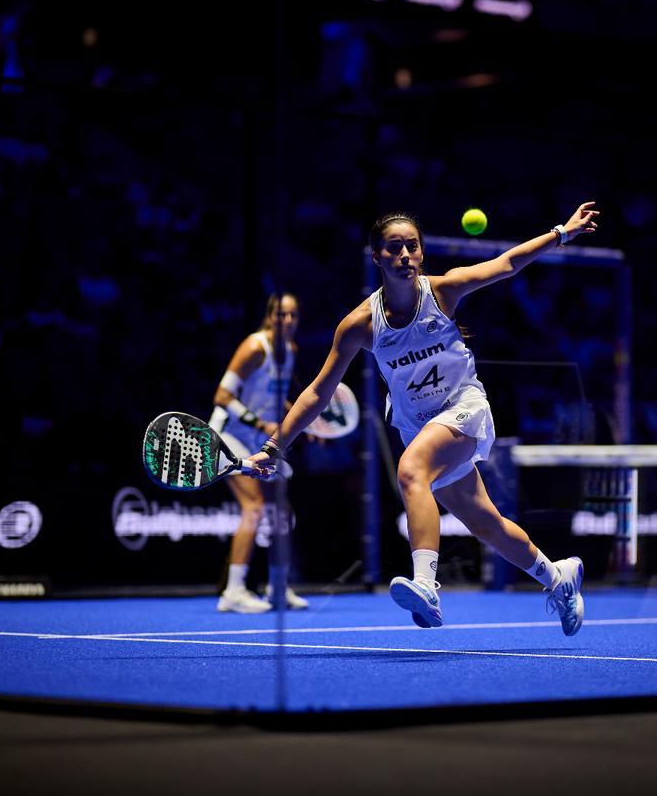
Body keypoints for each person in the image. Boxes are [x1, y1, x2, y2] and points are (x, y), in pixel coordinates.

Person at [245, 204, 600, 634]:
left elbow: (506, 263)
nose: (405, 256)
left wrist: (561, 233)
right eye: (393, 249)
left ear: (421, 253)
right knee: (485, 523)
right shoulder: (360, 325)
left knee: (411, 470)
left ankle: (427, 588)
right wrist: (273, 445)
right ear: (377, 257)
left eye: (411, 247)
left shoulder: (444, 291)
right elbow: (319, 392)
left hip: (463, 408)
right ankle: (559, 578)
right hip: (418, 425)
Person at [209, 292, 310, 614]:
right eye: (281, 315)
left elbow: (276, 399)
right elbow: (222, 396)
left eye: (293, 315)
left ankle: (278, 590)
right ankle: (233, 592)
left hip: (257, 439)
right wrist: (261, 424)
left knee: (282, 511)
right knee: (253, 507)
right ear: (270, 318)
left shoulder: (290, 351)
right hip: (226, 436)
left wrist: (300, 419)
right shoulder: (254, 348)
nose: (288, 321)